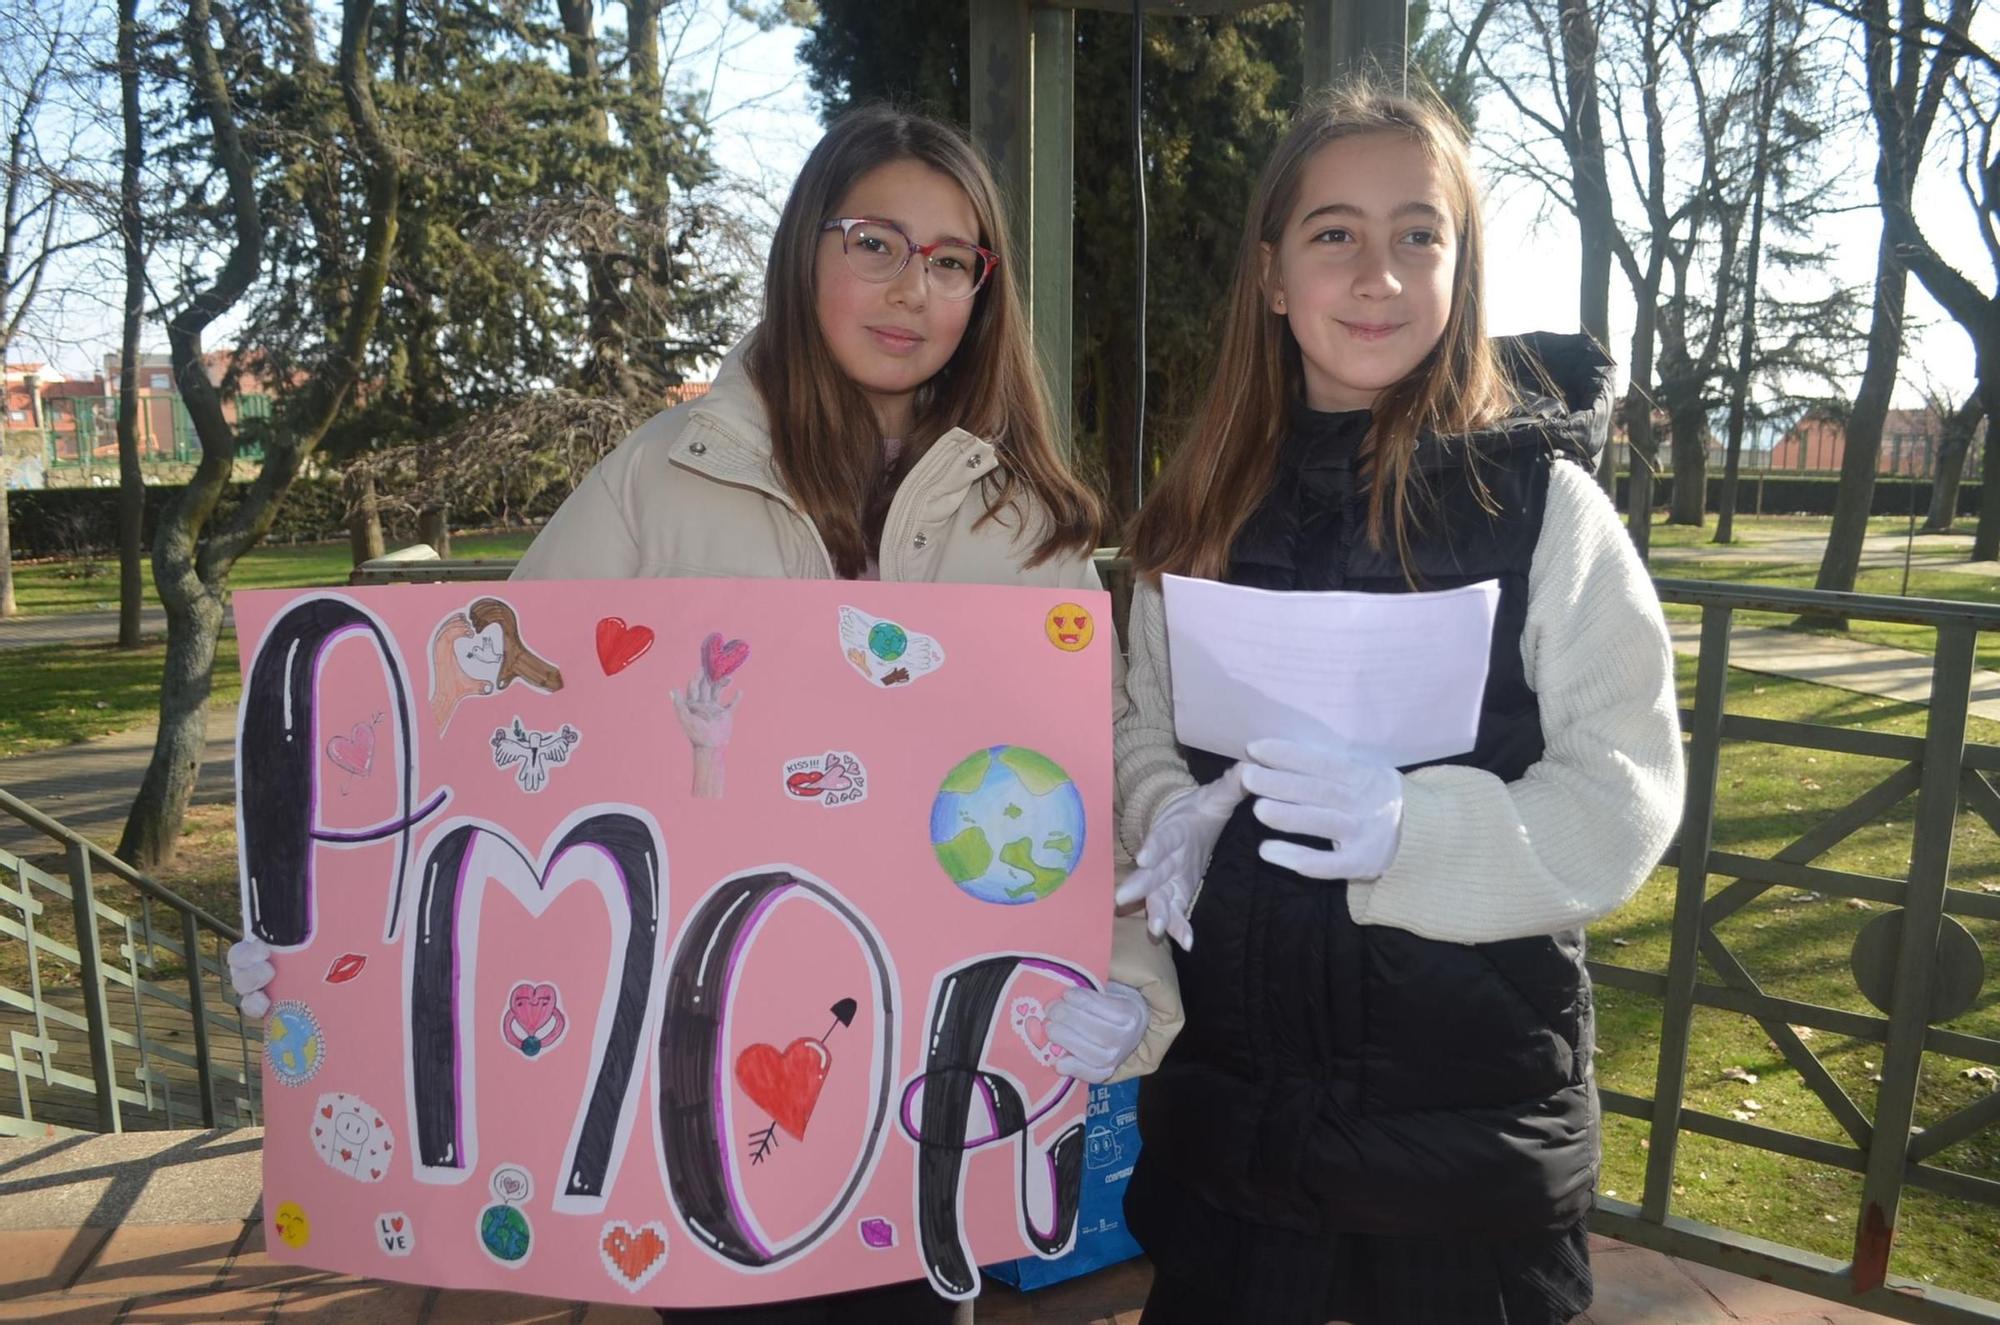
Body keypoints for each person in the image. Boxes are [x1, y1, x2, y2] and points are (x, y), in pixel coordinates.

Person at [229, 104, 1179, 1324]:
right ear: (804, 252)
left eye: (951, 259)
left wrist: (1128, 981)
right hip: (692, 1073)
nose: (911, 288)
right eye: (873, 242)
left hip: (915, 1075)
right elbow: (491, 720)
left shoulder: (1026, 522)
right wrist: (320, 936)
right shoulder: (661, 472)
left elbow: (1077, 784)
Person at [1107, 80, 1684, 1325]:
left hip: (1462, 1175)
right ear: (1270, 275)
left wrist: (1417, 836)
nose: (1377, 272)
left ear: (1459, 267)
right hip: (1235, 1156)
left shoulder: (1542, 511)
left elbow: (1623, 786)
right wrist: (1170, 809)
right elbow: (1139, 723)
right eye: (1334, 233)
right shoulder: (1196, 515)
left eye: (1416, 232)